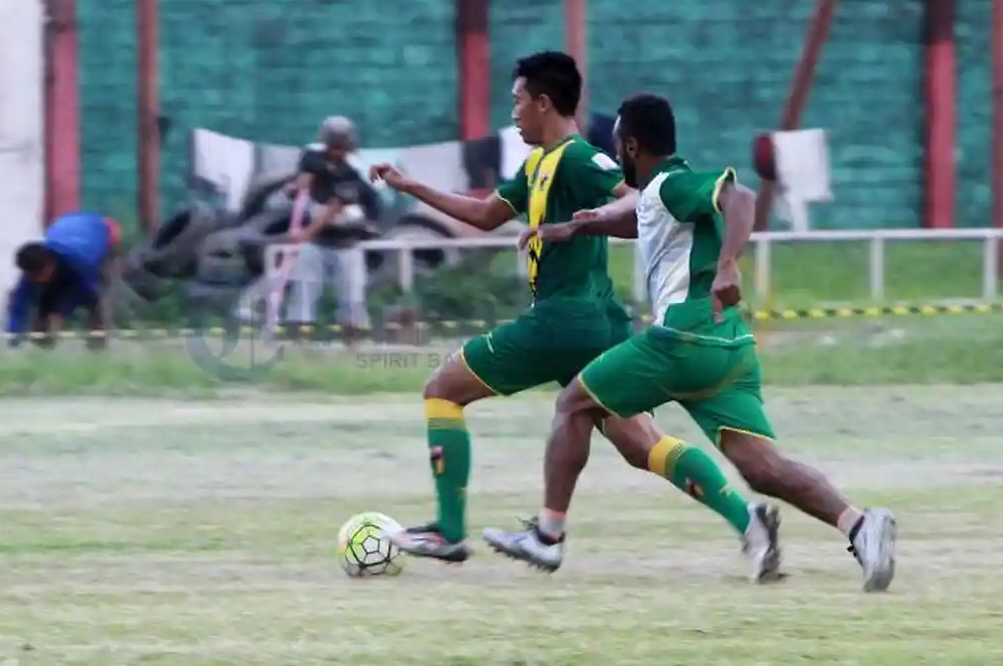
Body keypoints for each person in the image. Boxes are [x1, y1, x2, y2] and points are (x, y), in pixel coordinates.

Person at [369, 51, 781, 581]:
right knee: (642, 445)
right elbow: (487, 214)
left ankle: (450, 532)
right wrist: (410, 187)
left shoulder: (581, 158)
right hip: (596, 323)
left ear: (543, 102)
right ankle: (748, 521)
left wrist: (598, 219)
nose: (513, 112)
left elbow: (638, 197)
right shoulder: (538, 163)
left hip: (566, 319)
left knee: (442, 389)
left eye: (517, 101)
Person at [481, 93, 897, 592]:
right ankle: (860, 526)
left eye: (616, 145)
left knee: (574, 404)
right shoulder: (660, 192)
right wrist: (575, 226)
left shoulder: (674, 181)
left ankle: (547, 536)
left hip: (682, 336)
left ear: (631, 145)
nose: (614, 155)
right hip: (728, 345)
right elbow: (638, 221)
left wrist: (727, 265)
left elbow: (738, 198)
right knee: (762, 468)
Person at [284, 115, 379, 341]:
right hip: (316, 241)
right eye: (333, 146)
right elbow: (304, 177)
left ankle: (352, 343)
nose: (337, 151)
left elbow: (333, 209)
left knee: (351, 297)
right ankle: (301, 341)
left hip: (347, 239)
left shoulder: (354, 170)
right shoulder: (312, 155)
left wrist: (304, 235)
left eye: (341, 147)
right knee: (304, 290)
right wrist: (297, 187)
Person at [6, 212, 121, 349]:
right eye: (31, 277)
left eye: (39, 276)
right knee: (45, 308)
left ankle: (98, 353)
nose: (35, 280)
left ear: (50, 265)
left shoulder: (82, 262)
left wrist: (60, 312)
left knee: (97, 303)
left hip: (102, 233)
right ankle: (42, 353)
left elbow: (85, 291)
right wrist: (14, 339)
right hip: (67, 228)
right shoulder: (35, 267)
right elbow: (19, 305)